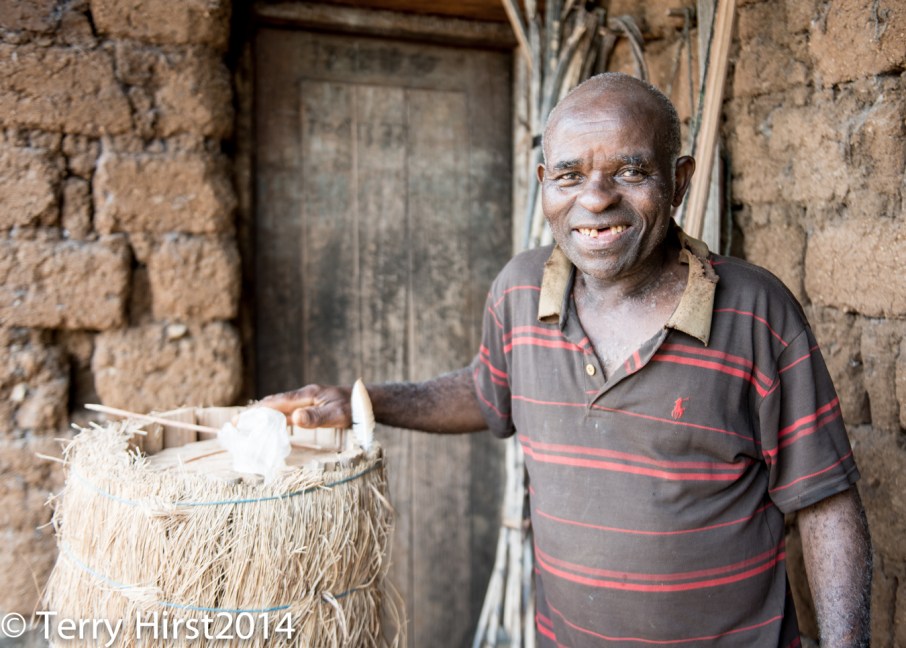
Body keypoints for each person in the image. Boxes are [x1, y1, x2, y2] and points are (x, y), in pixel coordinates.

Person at [261, 73, 872, 647]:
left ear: (680, 181)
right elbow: (486, 391)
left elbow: (825, 501)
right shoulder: (520, 292)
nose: (596, 199)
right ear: (544, 183)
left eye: (630, 171)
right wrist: (363, 401)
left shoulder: (755, 311)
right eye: (570, 176)